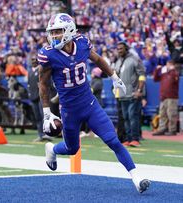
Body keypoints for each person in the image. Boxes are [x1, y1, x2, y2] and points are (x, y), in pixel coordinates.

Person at [38, 13, 150, 193]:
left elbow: (97, 59)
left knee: (113, 140)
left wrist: (113, 76)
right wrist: (46, 113)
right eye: (52, 32)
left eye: (58, 31)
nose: (54, 36)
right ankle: (52, 148)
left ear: (69, 31)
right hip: (69, 110)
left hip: (90, 104)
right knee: (72, 148)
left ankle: (136, 176)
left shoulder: (82, 43)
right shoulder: (49, 55)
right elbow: (42, 84)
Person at [113, 41, 146, 147]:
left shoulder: (134, 59)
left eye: (121, 48)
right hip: (122, 95)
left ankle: (135, 139)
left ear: (126, 49)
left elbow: (142, 75)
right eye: (118, 49)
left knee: (133, 117)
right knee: (125, 117)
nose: (119, 51)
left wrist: (139, 91)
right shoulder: (118, 61)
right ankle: (128, 139)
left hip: (133, 94)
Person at [28, 57, 52, 142]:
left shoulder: (41, 70)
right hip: (33, 96)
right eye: (32, 60)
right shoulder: (30, 71)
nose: (34, 61)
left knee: (44, 115)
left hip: (42, 96)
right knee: (38, 117)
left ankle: (47, 133)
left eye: (35, 59)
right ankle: (40, 134)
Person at [152, 61, 179, 136]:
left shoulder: (175, 73)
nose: (168, 66)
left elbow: (175, 79)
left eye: (170, 64)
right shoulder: (164, 74)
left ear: (173, 65)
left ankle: (172, 130)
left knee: (171, 114)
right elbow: (155, 79)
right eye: (167, 64)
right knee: (162, 114)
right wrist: (157, 70)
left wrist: (173, 69)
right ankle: (162, 128)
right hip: (163, 97)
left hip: (172, 97)